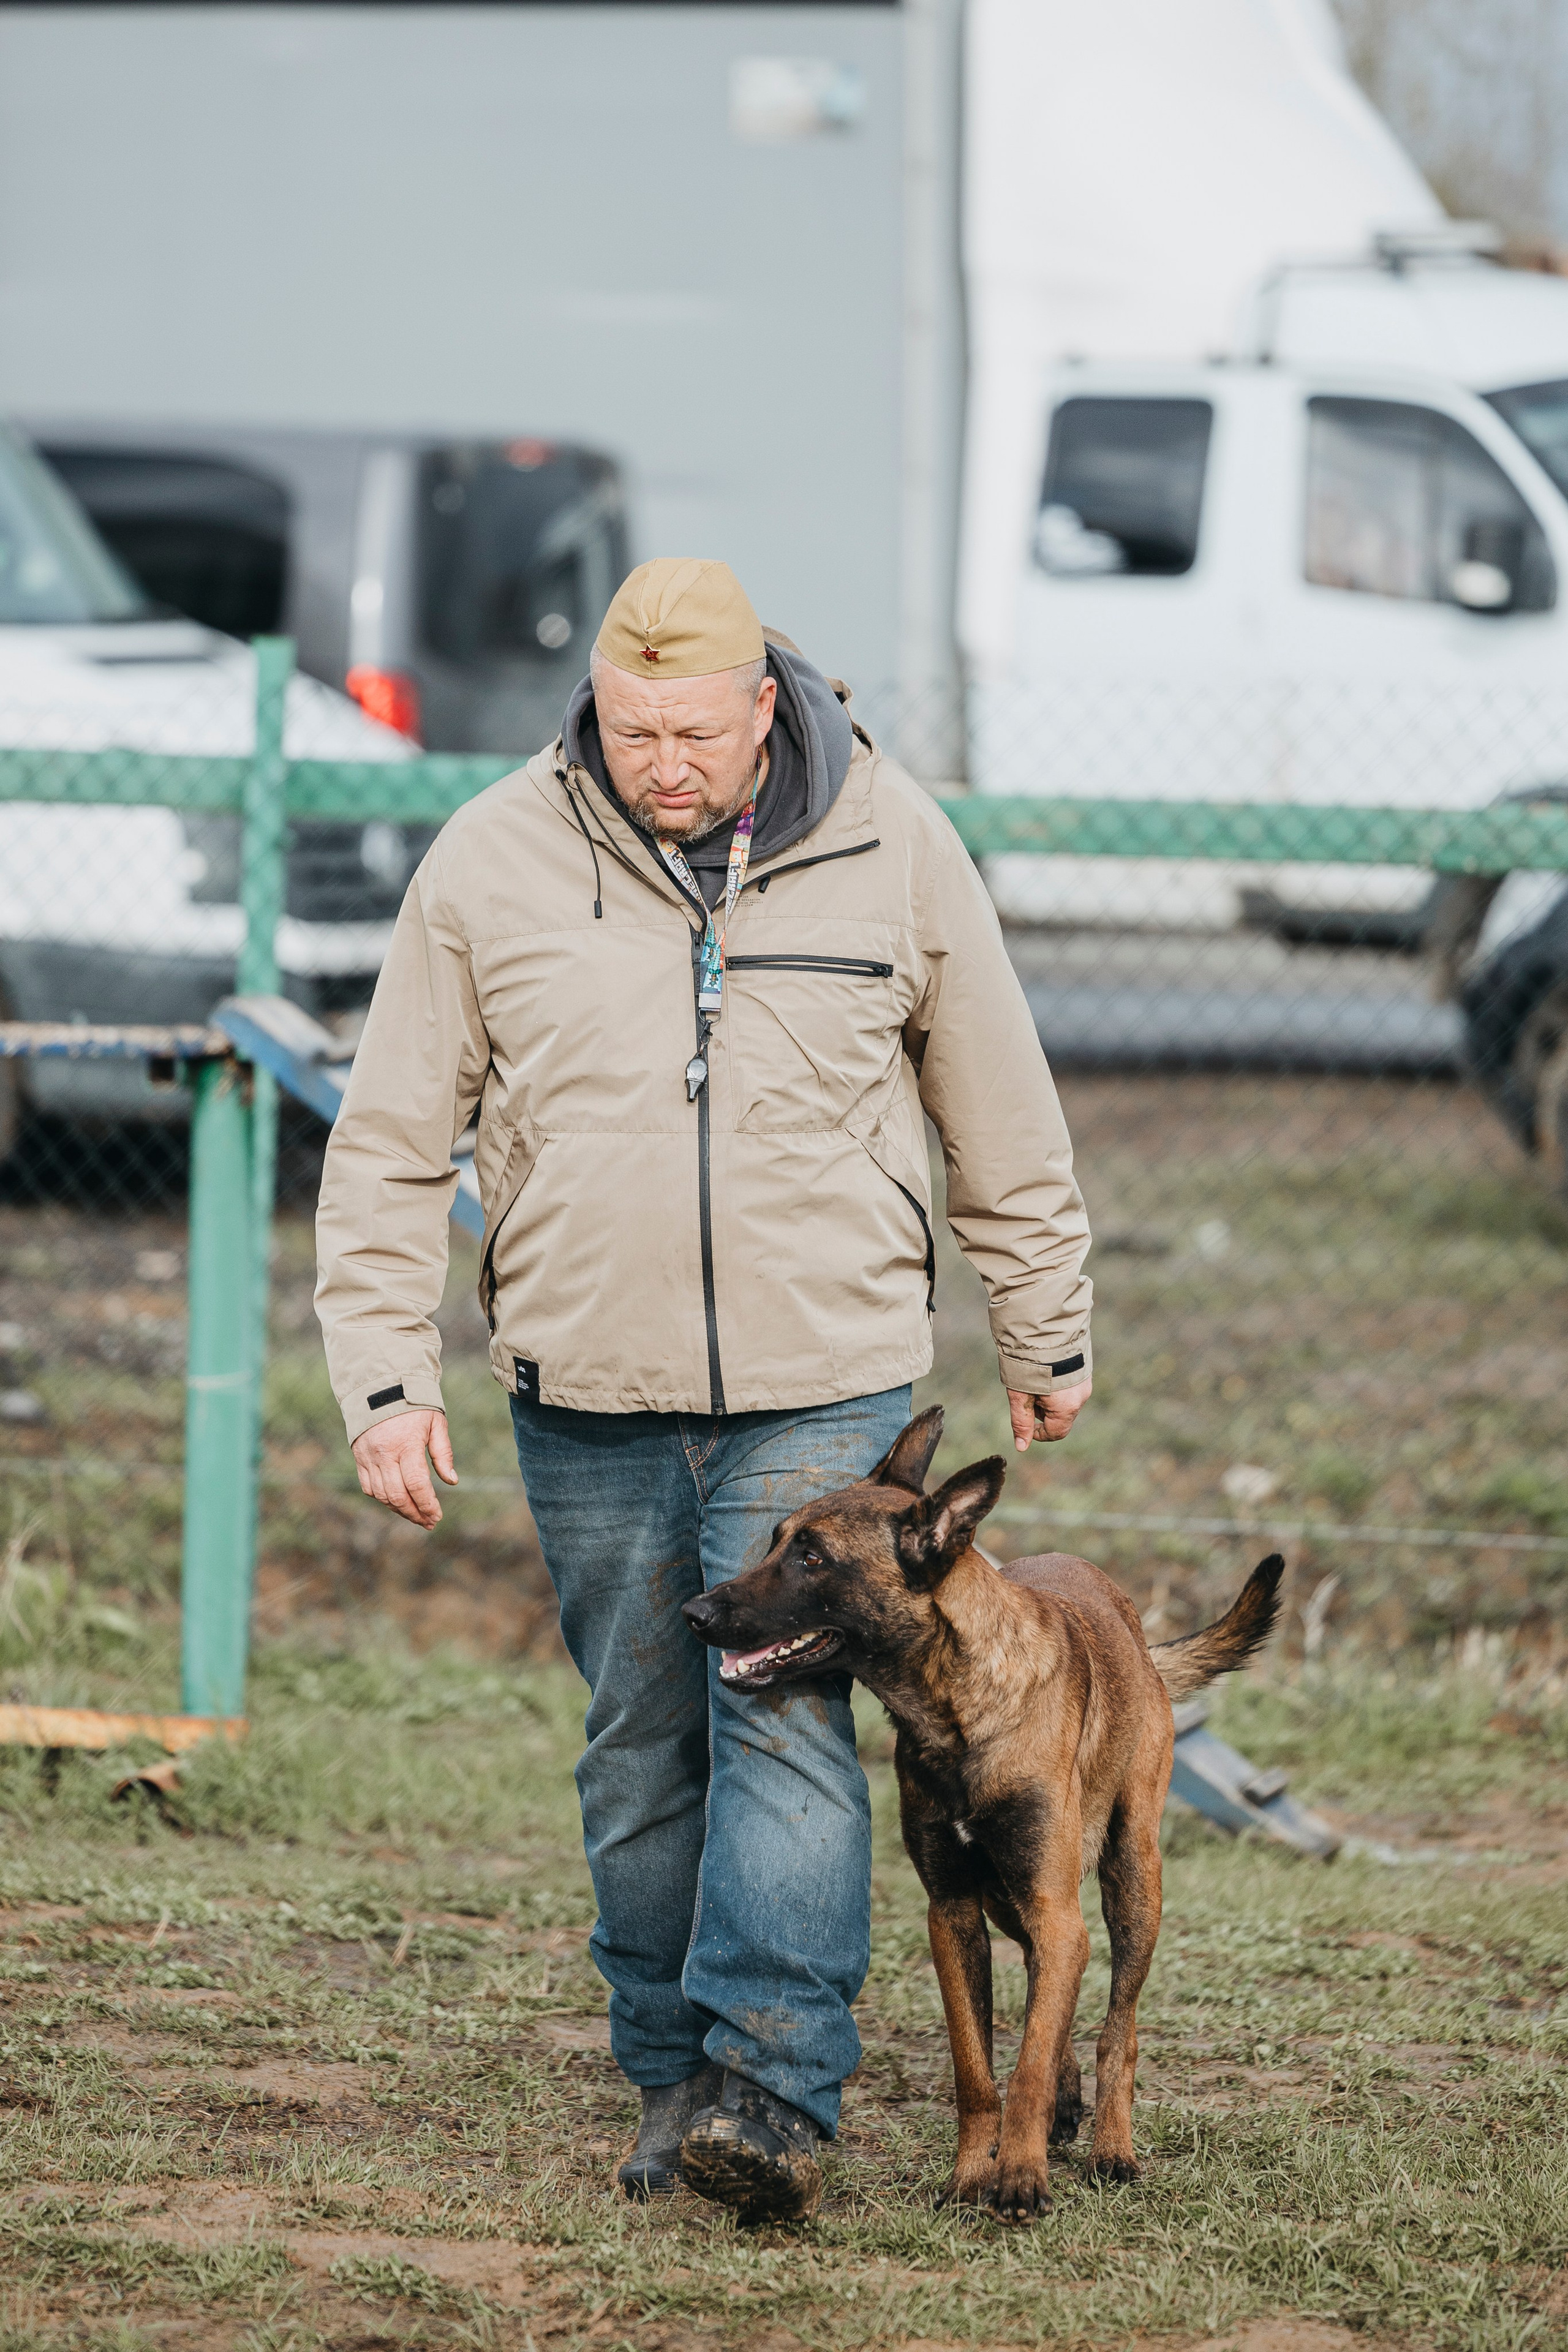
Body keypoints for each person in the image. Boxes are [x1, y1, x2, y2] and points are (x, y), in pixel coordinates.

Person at [315, 557, 1093, 2222]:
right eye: (627, 727)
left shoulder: (896, 846)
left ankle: (774, 2088)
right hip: (586, 1388)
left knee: (789, 1720)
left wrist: (1046, 1328)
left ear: (765, 705)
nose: (659, 761)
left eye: (692, 730)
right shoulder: (493, 856)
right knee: (640, 1745)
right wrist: (386, 1379)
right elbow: (387, 1142)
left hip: (824, 1382)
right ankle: (671, 2073)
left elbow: (1001, 1110)